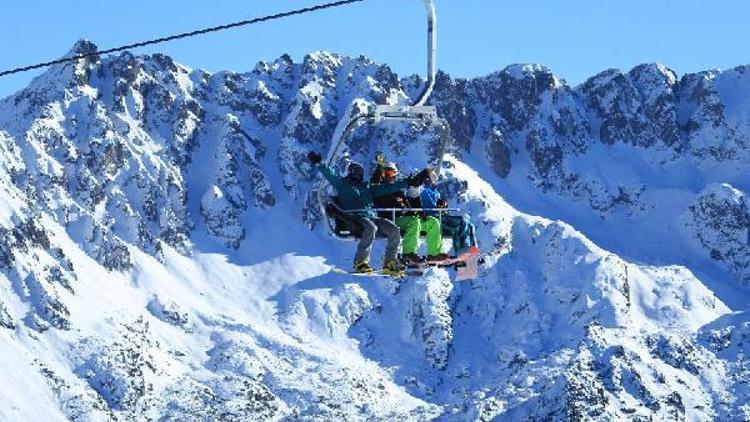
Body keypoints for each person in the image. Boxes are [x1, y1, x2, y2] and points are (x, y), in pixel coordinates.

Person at [308, 151, 431, 275]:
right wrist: (319, 162)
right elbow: (330, 174)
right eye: (353, 173)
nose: (355, 176)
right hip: (353, 218)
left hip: (370, 217)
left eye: (357, 174)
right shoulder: (343, 185)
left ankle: (390, 262)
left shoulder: (366, 188)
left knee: (394, 229)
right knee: (371, 228)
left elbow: (387, 188)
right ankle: (360, 262)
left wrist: (407, 182)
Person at [371, 161, 443, 265]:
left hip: (407, 219)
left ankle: (434, 254)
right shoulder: (379, 189)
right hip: (391, 220)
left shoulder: (399, 191)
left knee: (433, 222)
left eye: (391, 174)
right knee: (413, 222)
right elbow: (373, 183)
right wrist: (378, 169)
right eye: (385, 173)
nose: (388, 176)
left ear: (395, 175)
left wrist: (419, 214)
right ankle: (409, 253)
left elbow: (410, 197)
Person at [418, 171, 478, 256]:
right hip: (432, 219)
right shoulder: (425, 192)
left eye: (434, 179)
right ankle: (461, 249)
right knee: (459, 224)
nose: (433, 181)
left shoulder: (435, 193)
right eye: (431, 179)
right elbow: (428, 208)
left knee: (469, 224)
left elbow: (439, 206)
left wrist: (442, 207)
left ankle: (472, 248)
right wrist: (439, 208)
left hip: (440, 217)